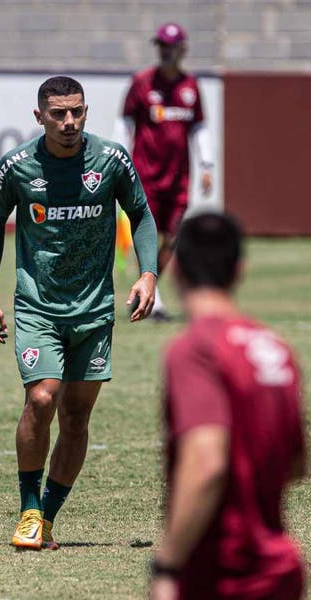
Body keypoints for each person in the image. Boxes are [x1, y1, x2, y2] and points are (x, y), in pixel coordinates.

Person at [0, 76, 158, 550]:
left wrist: (148, 274)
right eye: (58, 113)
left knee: (76, 418)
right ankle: (29, 510)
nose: (69, 121)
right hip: (38, 305)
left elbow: (139, 213)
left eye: (76, 111)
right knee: (42, 398)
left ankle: (48, 520)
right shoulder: (17, 166)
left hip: (95, 309)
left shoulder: (111, 159)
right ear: (39, 117)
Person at [149, 212, 306, 599]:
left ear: (177, 269)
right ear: (239, 271)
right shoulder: (275, 347)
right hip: (280, 570)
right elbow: (296, 462)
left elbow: (207, 463)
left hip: (222, 574)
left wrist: (167, 565)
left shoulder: (195, 350)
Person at [116, 22, 213, 321]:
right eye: (161, 46)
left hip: (179, 176)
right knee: (147, 234)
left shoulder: (190, 86)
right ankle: (154, 300)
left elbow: (198, 127)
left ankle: (146, 289)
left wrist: (207, 164)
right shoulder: (142, 83)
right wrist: (119, 159)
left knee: (171, 237)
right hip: (146, 174)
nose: (165, 52)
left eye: (171, 46)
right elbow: (125, 123)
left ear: (182, 49)